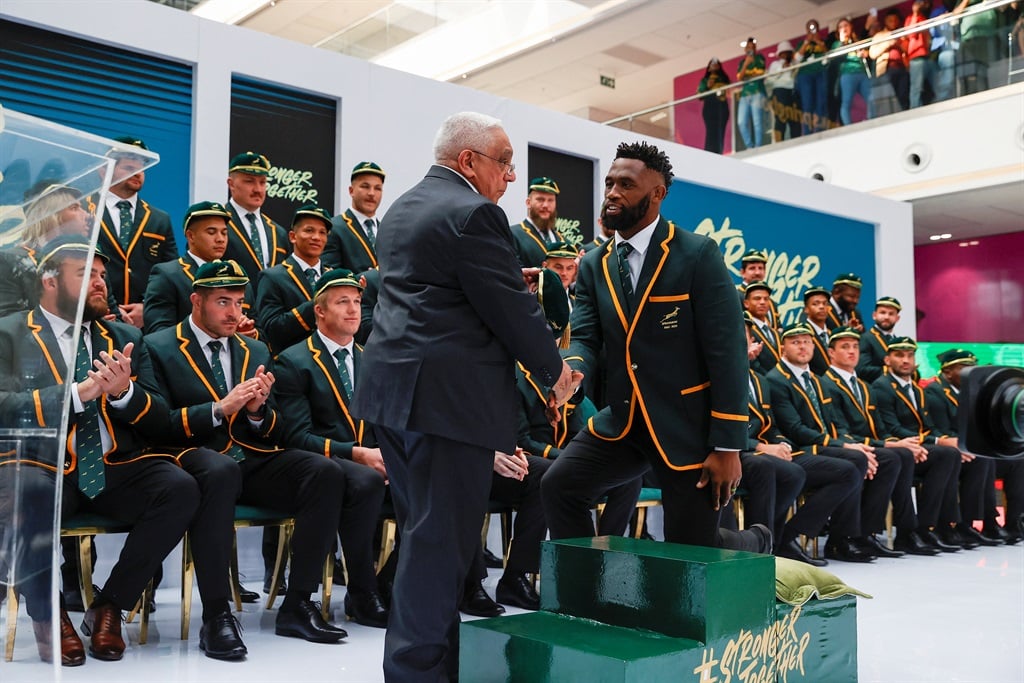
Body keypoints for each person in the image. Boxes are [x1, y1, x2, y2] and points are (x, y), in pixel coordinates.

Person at [349, 112, 575, 683]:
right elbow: (509, 310)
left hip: (396, 398)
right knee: (439, 547)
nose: (512, 177)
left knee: (425, 535)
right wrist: (555, 372)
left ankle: (429, 664)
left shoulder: (402, 207)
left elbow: (442, 292)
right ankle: (419, 673)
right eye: (504, 162)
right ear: (469, 161)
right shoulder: (477, 212)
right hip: (446, 404)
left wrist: (500, 273)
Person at [541, 140, 771, 557]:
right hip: (624, 421)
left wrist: (728, 446)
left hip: (689, 429)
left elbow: (728, 353)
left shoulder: (697, 253)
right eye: (610, 183)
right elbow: (587, 337)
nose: (612, 193)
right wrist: (570, 372)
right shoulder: (594, 263)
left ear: (657, 193)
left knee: (693, 550)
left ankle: (752, 541)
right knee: (559, 486)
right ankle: (591, 596)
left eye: (626, 185)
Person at [0, 236, 204, 663]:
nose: (100, 284)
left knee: (179, 488)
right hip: (43, 464)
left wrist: (124, 393)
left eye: (101, 275)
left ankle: (110, 605)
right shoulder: (11, 332)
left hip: (112, 464)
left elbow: (160, 418)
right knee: (28, 491)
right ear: (49, 281)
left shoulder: (126, 336)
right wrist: (77, 394)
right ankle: (49, 615)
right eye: (86, 274)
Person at [143, 259, 348, 644]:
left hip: (249, 461)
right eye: (223, 302)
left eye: (239, 303)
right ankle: (217, 614)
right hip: (195, 464)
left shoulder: (255, 349)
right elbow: (158, 425)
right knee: (220, 471)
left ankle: (298, 604)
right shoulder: (158, 346)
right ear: (196, 301)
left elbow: (276, 430)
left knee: (324, 471)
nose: (234, 312)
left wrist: (255, 412)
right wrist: (220, 408)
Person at [271, 268, 390, 627]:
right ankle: (363, 592)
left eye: (357, 301)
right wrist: (357, 454)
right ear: (319, 311)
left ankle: (390, 585)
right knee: (363, 482)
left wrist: (393, 459)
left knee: (433, 483)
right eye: (343, 302)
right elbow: (296, 436)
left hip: (371, 462)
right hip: (326, 464)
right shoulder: (294, 361)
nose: (354, 310)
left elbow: (386, 426)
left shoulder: (373, 358)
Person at [765, 323, 887, 564]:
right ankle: (791, 535)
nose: (802, 346)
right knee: (849, 469)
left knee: (860, 458)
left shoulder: (815, 380)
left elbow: (832, 423)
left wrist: (851, 444)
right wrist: (842, 446)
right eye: (795, 342)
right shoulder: (776, 379)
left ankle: (842, 539)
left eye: (807, 341)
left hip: (820, 444)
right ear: (782, 349)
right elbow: (795, 429)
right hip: (796, 449)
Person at [821, 326, 927, 557]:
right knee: (889, 457)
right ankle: (848, 537)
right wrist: (888, 445)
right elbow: (840, 430)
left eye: (855, 347)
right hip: (844, 446)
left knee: (903, 454)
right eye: (844, 347)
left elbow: (879, 428)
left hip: (867, 445)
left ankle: (895, 533)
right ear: (831, 353)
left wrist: (898, 443)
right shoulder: (826, 383)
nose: (852, 352)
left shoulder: (864, 386)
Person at [871, 337, 965, 551]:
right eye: (899, 355)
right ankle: (918, 530)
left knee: (950, 453)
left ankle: (937, 526)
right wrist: (929, 442)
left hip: (918, 447)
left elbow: (928, 426)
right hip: (900, 444)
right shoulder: (882, 387)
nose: (906, 360)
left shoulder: (917, 389)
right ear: (887, 360)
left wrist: (936, 440)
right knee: (945, 454)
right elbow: (891, 427)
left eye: (910, 355)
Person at [925, 348, 1021, 545]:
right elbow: (942, 430)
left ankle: (1014, 522)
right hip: (953, 452)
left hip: (972, 451)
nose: (970, 371)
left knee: (1017, 461)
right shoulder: (935, 393)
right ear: (947, 371)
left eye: (971, 367)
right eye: (963, 368)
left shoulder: (974, 391)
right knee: (983, 459)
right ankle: (972, 524)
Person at [90, 137, 177, 328]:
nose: (138, 174)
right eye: (129, 168)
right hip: (96, 319)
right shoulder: (84, 210)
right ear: (104, 171)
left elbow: (169, 276)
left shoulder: (159, 219)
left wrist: (147, 308)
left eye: (142, 169)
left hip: (144, 326)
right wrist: (103, 307)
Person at [142, 201, 258, 343]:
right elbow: (158, 332)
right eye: (211, 232)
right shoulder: (168, 274)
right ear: (190, 236)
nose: (220, 239)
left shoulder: (239, 277)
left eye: (224, 232)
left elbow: (260, 331)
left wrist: (249, 333)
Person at [255, 204, 331, 354]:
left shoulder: (333, 276)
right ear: (292, 236)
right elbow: (271, 329)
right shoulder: (272, 277)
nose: (316, 237)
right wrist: (319, 303)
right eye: (309, 230)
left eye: (322, 232)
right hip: (292, 364)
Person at [223, 152, 290, 280]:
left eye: (262, 182)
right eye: (249, 182)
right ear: (231, 184)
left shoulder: (278, 232)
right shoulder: (217, 223)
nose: (258, 189)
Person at [323, 161, 385, 273]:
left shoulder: (386, 231)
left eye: (377, 188)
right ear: (351, 191)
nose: (372, 193)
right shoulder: (334, 227)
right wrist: (370, 278)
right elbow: (330, 277)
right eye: (365, 187)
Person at [512, 176, 563, 268]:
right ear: (528, 202)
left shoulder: (563, 241)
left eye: (550, 200)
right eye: (540, 199)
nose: (546, 205)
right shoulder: (512, 234)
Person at [832, 18, 874, 125]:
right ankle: (848, 125)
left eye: (846, 25)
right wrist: (842, 42)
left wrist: (865, 54)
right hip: (847, 74)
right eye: (841, 27)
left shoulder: (856, 41)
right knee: (847, 102)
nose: (844, 28)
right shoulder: (837, 44)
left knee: (871, 98)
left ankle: (871, 120)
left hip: (861, 72)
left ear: (851, 27)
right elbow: (836, 59)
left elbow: (865, 53)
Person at [869, 9, 910, 111]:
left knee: (903, 95)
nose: (893, 22)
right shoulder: (879, 35)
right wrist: (888, 43)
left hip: (903, 69)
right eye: (890, 20)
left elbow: (908, 49)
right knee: (889, 97)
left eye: (895, 20)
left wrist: (899, 44)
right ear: (886, 21)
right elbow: (872, 54)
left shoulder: (902, 34)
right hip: (886, 69)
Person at [795, 19, 830, 134]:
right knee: (807, 103)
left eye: (814, 27)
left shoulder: (822, 41)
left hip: (820, 73)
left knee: (821, 102)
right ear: (806, 30)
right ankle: (807, 131)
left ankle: (820, 129)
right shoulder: (802, 43)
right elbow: (797, 59)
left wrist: (818, 41)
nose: (812, 30)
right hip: (805, 75)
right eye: (810, 28)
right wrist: (807, 42)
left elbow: (827, 56)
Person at [857, 296, 902, 383]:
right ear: (874, 315)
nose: (886, 317)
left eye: (891, 314)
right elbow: (862, 370)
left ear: (897, 318)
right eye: (882, 312)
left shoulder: (897, 341)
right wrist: (894, 370)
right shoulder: (865, 338)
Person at [744, 280, 782, 375]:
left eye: (766, 299)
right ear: (746, 303)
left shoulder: (775, 332)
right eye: (757, 298)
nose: (762, 302)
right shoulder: (744, 328)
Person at [735, 37, 767, 149]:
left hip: (758, 92)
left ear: (755, 48)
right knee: (741, 122)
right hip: (745, 95)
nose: (750, 49)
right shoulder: (742, 62)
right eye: (748, 47)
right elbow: (740, 78)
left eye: (752, 47)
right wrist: (746, 65)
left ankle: (758, 146)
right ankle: (750, 146)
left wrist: (747, 75)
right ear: (745, 49)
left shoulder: (759, 58)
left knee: (757, 122)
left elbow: (761, 73)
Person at [735, 249, 779, 327]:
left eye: (760, 268)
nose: (757, 272)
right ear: (742, 272)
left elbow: (777, 328)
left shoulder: (771, 302)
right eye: (752, 268)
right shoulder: (736, 297)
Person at [767, 41, 800, 142]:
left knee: (794, 118)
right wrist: (782, 69)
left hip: (793, 92)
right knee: (780, 118)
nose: (786, 55)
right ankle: (778, 142)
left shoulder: (794, 63)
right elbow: (769, 80)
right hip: (780, 91)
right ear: (779, 54)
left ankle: (796, 141)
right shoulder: (775, 64)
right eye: (783, 52)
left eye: (788, 52)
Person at [697, 57, 731, 154]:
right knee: (711, 130)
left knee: (721, 130)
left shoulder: (724, 79)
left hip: (721, 106)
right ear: (708, 68)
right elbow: (700, 95)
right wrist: (708, 86)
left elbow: (728, 90)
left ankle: (719, 151)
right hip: (710, 106)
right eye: (712, 64)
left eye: (716, 64)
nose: (714, 66)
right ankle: (709, 152)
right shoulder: (705, 80)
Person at [905, 0, 934, 108]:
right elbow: (911, 34)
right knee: (916, 88)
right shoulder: (910, 18)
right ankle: (915, 110)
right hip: (916, 57)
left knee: (935, 84)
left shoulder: (924, 18)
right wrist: (915, 13)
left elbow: (929, 38)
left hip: (928, 57)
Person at [799, 285, 832, 375]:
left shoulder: (831, 334)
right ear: (806, 309)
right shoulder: (802, 334)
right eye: (815, 304)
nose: (821, 307)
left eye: (825, 303)